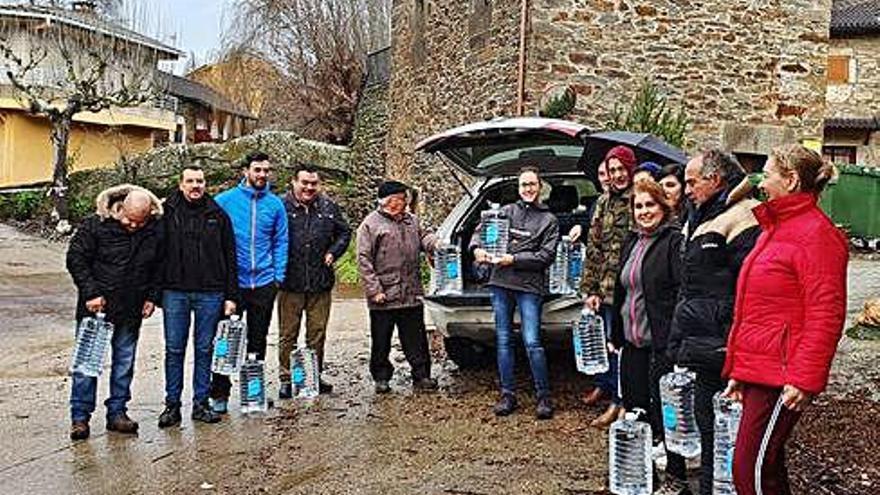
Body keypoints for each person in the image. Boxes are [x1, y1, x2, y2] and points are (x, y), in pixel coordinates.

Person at [722, 145, 848, 495]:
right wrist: (741, 372)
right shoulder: (775, 228)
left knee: (750, 471)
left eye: (768, 172)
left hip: (784, 374)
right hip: (763, 371)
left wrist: (804, 379)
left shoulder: (817, 235)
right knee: (768, 468)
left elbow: (826, 311)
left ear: (791, 180)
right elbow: (759, 309)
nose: (760, 181)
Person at [666, 149, 760, 495]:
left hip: (725, 347)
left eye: (691, 182)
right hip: (703, 346)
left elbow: (749, 293)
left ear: (714, 179)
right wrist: (679, 341)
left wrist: (735, 349)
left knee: (730, 442)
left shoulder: (743, 217)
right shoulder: (700, 217)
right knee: (709, 434)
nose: (686, 190)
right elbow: (689, 290)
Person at [66, 184, 164, 440]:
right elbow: (76, 259)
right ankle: (80, 418)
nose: (133, 226)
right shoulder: (95, 224)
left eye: (139, 223)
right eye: (129, 220)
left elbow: (158, 266)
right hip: (95, 310)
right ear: (120, 208)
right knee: (87, 366)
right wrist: (90, 293)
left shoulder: (153, 228)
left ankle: (117, 412)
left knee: (124, 364)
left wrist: (152, 297)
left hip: (131, 310)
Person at [611, 179, 689, 495]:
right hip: (632, 345)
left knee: (664, 415)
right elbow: (621, 292)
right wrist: (615, 334)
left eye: (650, 205)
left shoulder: (672, 242)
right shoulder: (632, 242)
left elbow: (682, 293)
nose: (644, 211)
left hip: (661, 344)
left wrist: (675, 342)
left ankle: (677, 479)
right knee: (636, 410)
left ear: (664, 207)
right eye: (638, 206)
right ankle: (645, 478)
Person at [472, 166, 560, 419]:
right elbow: (481, 230)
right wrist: (477, 248)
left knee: (532, 342)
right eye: (523, 185)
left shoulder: (549, 220)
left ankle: (543, 396)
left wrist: (514, 258)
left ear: (540, 186)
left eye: (532, 184)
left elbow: (545, 256)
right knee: (503, 339)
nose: (528, 189)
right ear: (518, 188)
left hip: (529, 287)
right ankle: (507, 394)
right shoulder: (506, 211)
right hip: (500, 283)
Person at [157, 165, 238, 428]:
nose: (195, 186)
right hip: (175, 292)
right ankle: (172, 405)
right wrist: (153, 293)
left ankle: (201, 403)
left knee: (205, 349)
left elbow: (230, 257)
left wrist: (231, 296)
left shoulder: (218, 215)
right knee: (174, 349)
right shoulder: (165, 213)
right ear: (180, 184)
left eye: (200, 181)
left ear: (206, 184)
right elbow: (155, 254)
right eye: (190, 181)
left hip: (211, 293)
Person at [209, 152, 288, 413]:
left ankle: (253, 393)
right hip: (233, 283)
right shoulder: (224, 201)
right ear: (246, 171)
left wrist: (278, 276)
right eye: (257, 170)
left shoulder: (275, 205)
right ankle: (219, 393)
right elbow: (213, 241)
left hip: (264, 282)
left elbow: (281, 241)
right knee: (225, 341)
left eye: (266, 170)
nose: (262, 175)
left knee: (258, 340)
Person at [356, 180, 438, 394]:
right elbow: (364, 261)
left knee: (416, 337)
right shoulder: (370, 225)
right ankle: (381, 377)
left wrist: (436, 243)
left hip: (410, 291)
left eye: (405, 198)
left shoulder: (412, 221)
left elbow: (425, 237)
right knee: (381, 339)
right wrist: (375, 291)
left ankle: (422, 375)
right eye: (401, 198)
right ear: (389, 201)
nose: (405, 202)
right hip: (384, 294)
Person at [277, 164, 351, 398]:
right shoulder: (280, 206)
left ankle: (312, 375)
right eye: (305, 183)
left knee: (317, 332)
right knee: (288, 333)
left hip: (320, 281)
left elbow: (344, 232)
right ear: (294, 182)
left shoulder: (328, 207)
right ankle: (287, 378)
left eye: (313, 183)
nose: (309, 188)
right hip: (290, 281)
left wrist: (334, 252)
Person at [578, 145, 636, 427]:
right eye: (612, 170)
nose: (617, 175)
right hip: (606, 289)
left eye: (621, 169)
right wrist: (590, 290)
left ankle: (625, 402)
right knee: (608, 347)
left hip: (631, 290)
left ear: (630, 169)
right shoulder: (602, 202)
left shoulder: (639, 199)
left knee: (626, 350)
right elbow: (594, 248)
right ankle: (613, 396)